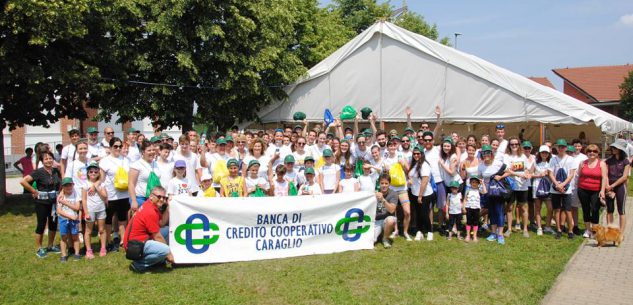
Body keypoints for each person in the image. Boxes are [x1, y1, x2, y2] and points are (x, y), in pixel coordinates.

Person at [21, 151, 61, 258]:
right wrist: (33, 191)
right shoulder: (38, 172)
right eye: (46, 159)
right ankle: (39, 248)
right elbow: (23, 181)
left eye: (50, 158)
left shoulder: (56, 171)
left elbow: (59, 184)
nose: (48, 160)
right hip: (41, 203)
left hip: (54, 203)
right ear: (42, 161)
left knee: (53, 224)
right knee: (41, 224)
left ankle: (50, 246)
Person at [124, 186, 173, 273]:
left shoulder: (150, 204)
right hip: (134, 245)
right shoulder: (150, 211)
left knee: (166, 230)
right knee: (165, 250)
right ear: (151, 196)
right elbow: (157, 236)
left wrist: (168, 208)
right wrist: (169, 254)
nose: (162, 199)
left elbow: (161, 223)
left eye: (164, 197)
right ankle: (138, 265)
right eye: (159, 197)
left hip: (137, 240)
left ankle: (158, 261)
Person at [99, 137, 130, 252]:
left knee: (122, 218)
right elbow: (101, 180)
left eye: (119, 146)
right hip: (111, 195)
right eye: (115, 146)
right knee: (108, 219)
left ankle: (123, 240)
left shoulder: (126, 160)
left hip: (124, 194)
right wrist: (103, 194)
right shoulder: (105, 161)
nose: (118, 148)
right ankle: (108, 240)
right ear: (110, 147)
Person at [547, 139, 578, 240]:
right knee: (557, 210)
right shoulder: (553, 159)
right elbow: (550, 173)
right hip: (555, 187)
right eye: (559, 147)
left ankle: (570, 230)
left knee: (568, 210)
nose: (561, 148)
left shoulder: (571, 159)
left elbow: (572, 174)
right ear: (556, 147)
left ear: (566, 148)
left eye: (563, 147)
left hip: (566, 188)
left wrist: (563, 184)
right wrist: (556, 184)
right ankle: (559, 230)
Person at [576, 144, 607, 238]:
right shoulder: (582, 163)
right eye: (589, 151)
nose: (592, 153)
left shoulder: (601, 163)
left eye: (594, 151)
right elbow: (579, 176)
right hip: (583, 190)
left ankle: (595, 230)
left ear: (598, 153)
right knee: (585, 210)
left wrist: (602, 190)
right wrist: (578, 187)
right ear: (586, 153)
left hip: (596, 190)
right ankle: (587, 230)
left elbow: (604, 177)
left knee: (595, 209)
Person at [478, 145, 507, 245]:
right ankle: (493, 233)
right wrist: (481, 187)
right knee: (492, 213)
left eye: (488, 153)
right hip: (488, 192)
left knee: (499, 212)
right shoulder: (481, 165)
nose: (486, 155)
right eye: (484, 153)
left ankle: (500, 234)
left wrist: (501, 176)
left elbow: (508, 171)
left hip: (498, 192)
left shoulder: (498, 163)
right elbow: (480, 178)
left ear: (491, 154)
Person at [504, 137, 531, 238]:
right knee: (510, 207)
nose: (514, 146)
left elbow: (527, 169)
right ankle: (509, 229)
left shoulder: (523, 156)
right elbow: (507, 171)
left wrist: (527, 174)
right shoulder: (507, 156)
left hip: (522, 186)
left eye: (516, 144)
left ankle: (525, 229)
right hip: (511, 185)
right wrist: (520, 175)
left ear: (519, 145)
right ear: (509, 146)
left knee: (524, 207)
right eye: (512, 144)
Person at [82, 161, 108, 259]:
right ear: (88, 173)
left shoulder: (101, 184)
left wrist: (97, 188)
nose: (93, 173)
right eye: (91, 171)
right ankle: (89, 250)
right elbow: (84, 199)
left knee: (102, 229)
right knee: (88, 231)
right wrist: (86, 212)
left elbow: (105, 196)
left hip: (101, 209)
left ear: (98, 173)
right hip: (90, 210)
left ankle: (103, 248)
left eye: (95, 172)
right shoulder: (85, 185)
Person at [408, 146, 434, 241]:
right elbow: (410, 174)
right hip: (414, 193)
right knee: (417, 213)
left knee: (424, 214)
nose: (416, 155)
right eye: (414, 154)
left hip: (425, 194)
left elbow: (425, 181)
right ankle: (419, 231)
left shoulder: (424, 165)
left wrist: (420, 196)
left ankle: (430, 231)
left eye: (418, 153)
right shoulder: (414, 164)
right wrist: (410, 180)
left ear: (422, 154)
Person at [605, 139, 630, 233]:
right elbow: (605, 174)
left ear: (621, 149)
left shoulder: (625, 161)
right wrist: (608, 186)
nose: (613, 149)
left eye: (615, 147)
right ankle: (610, 231)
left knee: (621, 210)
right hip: (609, 187)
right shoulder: (609, 161)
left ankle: (620, 233)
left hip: (620, 187)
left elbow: (624, 177)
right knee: (609, 210)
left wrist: (613, 185)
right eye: (613, 147)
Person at [128, 141, 160, 213]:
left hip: (154, 199)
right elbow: (131, 184)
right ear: (143, 152)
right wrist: (134, 201)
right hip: (140, 198)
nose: (152, 152)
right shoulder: (136, 165)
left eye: (153, 150)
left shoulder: (156, 163)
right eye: (149, 150)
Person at [56, 177, 82, 262]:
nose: (68, 187)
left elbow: (77, 207)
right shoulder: (60, 196)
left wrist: (65, 202)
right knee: (64, 237)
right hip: (63, 219)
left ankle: (77, 253)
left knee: (75, 237)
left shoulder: (76, 194)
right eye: (66, 185)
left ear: (73, 185)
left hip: (74, 220)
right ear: (62, 187)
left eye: (70, 185)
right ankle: (63, 254)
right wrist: (70, 216)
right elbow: (59, 211)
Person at [531, 145, 554, 236]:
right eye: (542, 152)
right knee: (538, 208)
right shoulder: (535, 162)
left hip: (548, 187)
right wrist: (539, 175)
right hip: (537, 186)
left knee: (550, 208)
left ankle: (548, 226)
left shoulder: (551, 162)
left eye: (546, 153)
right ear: (539, 153)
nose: (544, 154)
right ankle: (539, 227)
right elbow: (529, 173)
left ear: (549, 154)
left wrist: (548, 174)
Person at [375, 174, 398, 248]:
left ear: (389, 184)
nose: (384, 185)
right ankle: (380, 234)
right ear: (379, 183)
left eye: (386, 183)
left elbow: (392, 210)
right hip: (376, 221)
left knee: (391, 220)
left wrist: (382, 199)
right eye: (382, 183)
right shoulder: (374, 192)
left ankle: (385, 239)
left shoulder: (393, 194)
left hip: (386, 220)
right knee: (371, 240)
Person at [464, 176, 486, 242]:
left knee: (475, 222)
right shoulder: (468, 190)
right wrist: (463, 207)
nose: (474, 184)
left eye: (476, 182)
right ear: (470, 183)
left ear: (478, 184)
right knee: (469, 222)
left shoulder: (479, 190)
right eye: (473, 182)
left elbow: (485, 192)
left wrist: (482, 183)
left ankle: (474, 236)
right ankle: (467, 235)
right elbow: (465, 199)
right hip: (469, 208)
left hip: (476, 209)